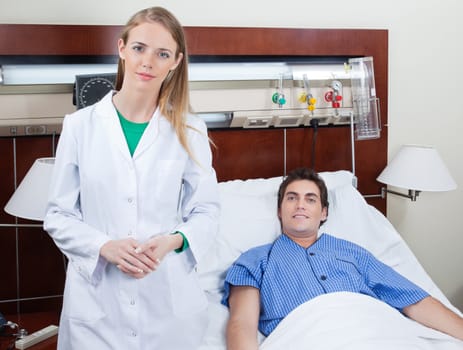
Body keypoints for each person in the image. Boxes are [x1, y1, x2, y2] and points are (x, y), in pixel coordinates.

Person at [44, 6, 220, 350]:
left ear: (176, 62)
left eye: (162, 54)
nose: (148, 61)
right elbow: (58, 215)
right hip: (97, 306)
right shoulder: (79, 127)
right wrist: (103, 246)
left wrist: (173, 241)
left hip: (167, 304)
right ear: (121, 48)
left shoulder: (190, 130)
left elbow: (207, 212)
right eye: (139, 48)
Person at [222, 167, 463, 349]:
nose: (300, 205)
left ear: (324, 212)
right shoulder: (254, 261)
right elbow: (242, 323)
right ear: (279, 210)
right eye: (292, 197)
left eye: (311, 199)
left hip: (374, 329)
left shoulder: (354, 253)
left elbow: (413, 299)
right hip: (307, 336)